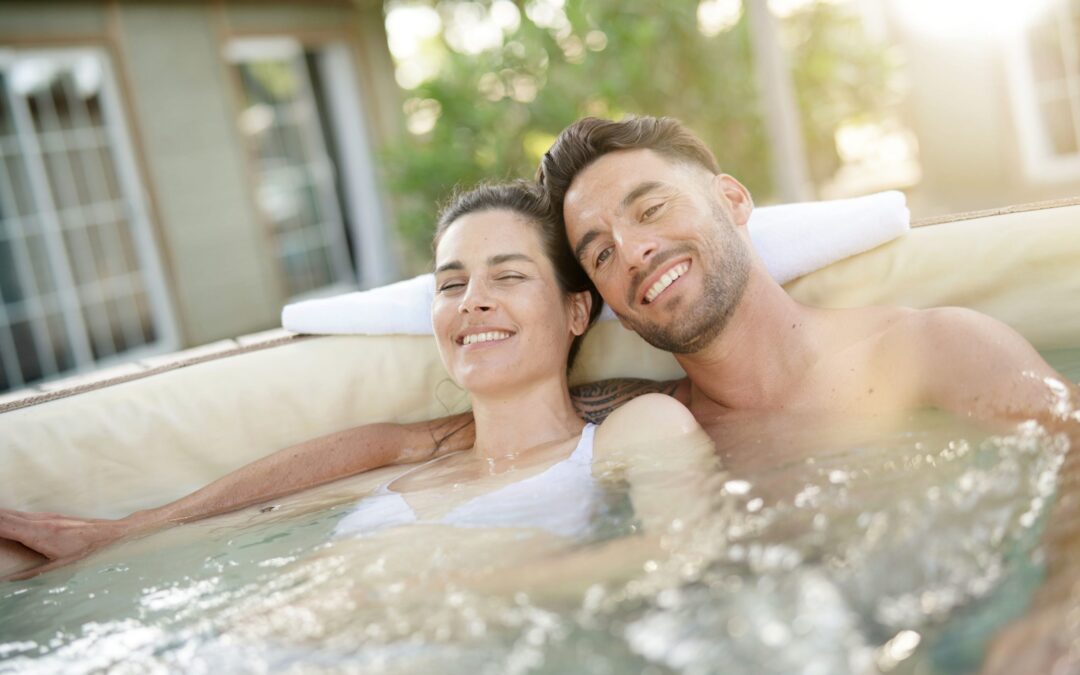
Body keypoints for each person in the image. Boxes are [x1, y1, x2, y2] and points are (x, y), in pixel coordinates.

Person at [0, 182, 710, 580]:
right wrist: (119, 534)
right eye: (451, 283)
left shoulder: (627, 431)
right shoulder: (409, 455)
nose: (472, 300)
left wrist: (441, 583)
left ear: (576, 308)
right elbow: (245, 506)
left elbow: (688, 551)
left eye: (509, 275)